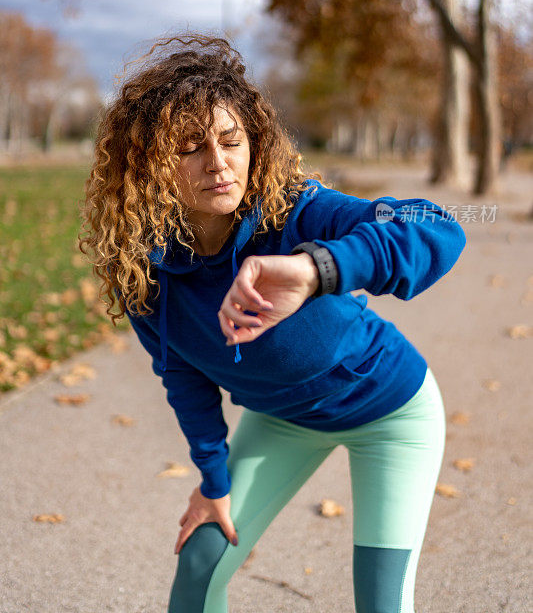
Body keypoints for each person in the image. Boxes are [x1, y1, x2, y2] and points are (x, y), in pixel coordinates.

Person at [79, 33, 466, 613]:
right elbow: (183, 377)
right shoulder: (143, 272)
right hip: (282, 420)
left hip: (393, 414)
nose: (218, 163)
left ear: (253, 143)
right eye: (190, 148)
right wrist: (214, 482)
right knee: (199, 566)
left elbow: (435, 226)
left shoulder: (298, 211)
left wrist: (318, 268)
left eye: (231, 141)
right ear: (149, 165)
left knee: (382, 602)